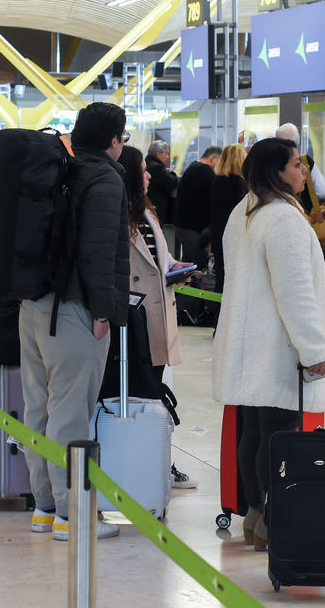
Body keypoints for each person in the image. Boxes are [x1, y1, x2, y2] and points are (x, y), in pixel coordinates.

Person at [212, 137, 325, 551]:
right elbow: (295, 291)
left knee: (256, 431)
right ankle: (272, 518)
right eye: (297, 164)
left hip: (248, 343)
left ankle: (256, 515)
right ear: (276, 172)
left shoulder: (243, 211)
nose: (303, 171)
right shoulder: (282, 218)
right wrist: (315, 351)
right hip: (276, 344)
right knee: (277, 434)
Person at [20, 101, 129, 542]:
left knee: (38, 408)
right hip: (74, 311)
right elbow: (99, 251)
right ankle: (73, 515)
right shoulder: (103, 176)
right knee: (70, 414)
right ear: (114, 140)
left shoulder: (59, 168)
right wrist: (103, 310)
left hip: (33, 306)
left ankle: (45, 507)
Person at [118, 144, 197, 489]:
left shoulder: (147, 213)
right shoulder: (117, 214)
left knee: (157, 394)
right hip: (134, 320)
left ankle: (160, 462)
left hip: (157, 313)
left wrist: (175, 268)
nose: (150, 175)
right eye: (142, 171)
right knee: (140, 393)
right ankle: (144, 464)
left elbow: (156, 263)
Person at [208, 144, 247, 293]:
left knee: (222, 280)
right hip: (235, 238)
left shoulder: (216, 182)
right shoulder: (240, 184)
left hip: (218, 236)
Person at [175, 145, 221, 270]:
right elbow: (217, 196)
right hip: (192, 230)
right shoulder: (205, 171)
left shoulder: (193, 167)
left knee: (188, 267)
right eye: (220, 162)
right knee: (201, 268)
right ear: (212, 159)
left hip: (184, 227)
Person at [274, 123, 325, 211]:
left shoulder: (271, 163)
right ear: (298, 142)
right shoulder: (306, 161)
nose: (303, 169)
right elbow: (322, 191)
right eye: (297, 165)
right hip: (305, 213)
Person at [145, 139, 178, 227]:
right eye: (166, 153)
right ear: (158, 154)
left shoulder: (149, 163)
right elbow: (172, 182)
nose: (168, 157)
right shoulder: (156, 167)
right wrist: (174, 174)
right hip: (156, 208)